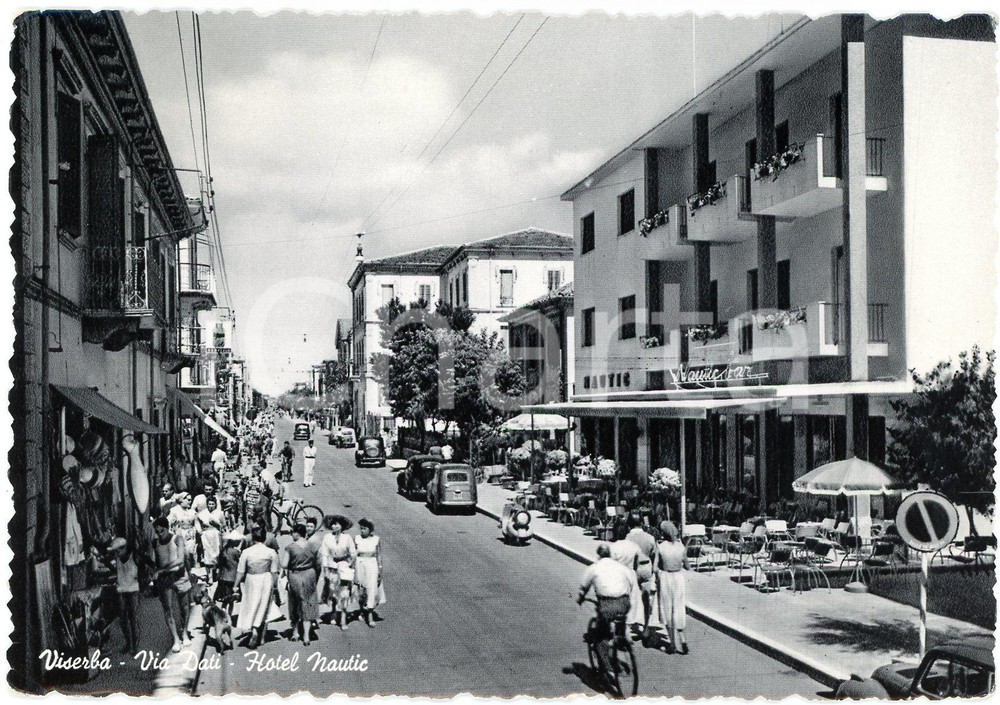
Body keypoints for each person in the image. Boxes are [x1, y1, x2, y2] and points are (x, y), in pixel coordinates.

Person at [577, 543, 637, 667]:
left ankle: (606, 665)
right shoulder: (621, 567)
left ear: (599, 555)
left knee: (600, 635)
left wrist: (581, 598)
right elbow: (631, 583)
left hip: (606, 605)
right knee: (620, 622)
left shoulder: (594, 568)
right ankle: (621, 640)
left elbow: (584, 587)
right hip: (623, 603)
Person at [234, 523, 281, 649]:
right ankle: (262, 637)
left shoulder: (246, 552)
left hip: (251, 579)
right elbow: (275, 571)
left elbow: (240, 571)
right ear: (264, 538)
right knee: (265, 606)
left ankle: (253, 629)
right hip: (266, 579)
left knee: (251, 604)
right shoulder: (271, 552)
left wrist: (235, 586)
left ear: (253, 539)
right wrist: (275, 587)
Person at [152, 516, 193, 653]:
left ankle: (185, 632)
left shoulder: (177, 539)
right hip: (165, 579)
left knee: (184, 607)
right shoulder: (156, 543)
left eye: (161, 530)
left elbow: (180, 560)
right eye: (157, 532)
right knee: (168, 609)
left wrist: (162, 569)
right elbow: (156, 562)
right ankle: (176, 638)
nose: (159, 534)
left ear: (167, 527)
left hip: (180, 576)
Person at [656, 521, 691, 655]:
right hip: (678, 577)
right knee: (678, 608)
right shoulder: (681, 546)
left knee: (667, 609)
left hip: (666, 577)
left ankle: (672, 644)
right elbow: (687, 566)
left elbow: (655, 567)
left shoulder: (661, 547)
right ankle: (682, 639)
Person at [282, 523, 319, 645]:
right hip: (309, 574)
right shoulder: (313, 546)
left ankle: (295, 632)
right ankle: (307, 636)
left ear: (297, 533)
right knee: (308, 602)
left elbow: (284, 564)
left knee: (295, 602)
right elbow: (318, 563)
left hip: (295, 576)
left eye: (293, 532)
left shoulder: (290, 547)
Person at [624, 514, 659, 640]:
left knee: (631, 598)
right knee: (647, 599)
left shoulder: (628, 537)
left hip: (633, 568)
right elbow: (655, 554)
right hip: (646, 568)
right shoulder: (650, 537)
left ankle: (628, 626)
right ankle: (646, 627)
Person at [319, 515, 357, 630]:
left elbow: (353, 553)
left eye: (337, 524)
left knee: (344, 593)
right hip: (332, 567)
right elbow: (324, 554)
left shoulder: (347, 538)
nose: (334, 526)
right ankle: (334, 613)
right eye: (333, 524)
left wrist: (349, 565)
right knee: (333, 591)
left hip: (344, 567)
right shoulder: (327, 537)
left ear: (342, 526)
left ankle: (343, 619)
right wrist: (325, 569)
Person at [109, 537, 140, 654]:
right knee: (123, 618)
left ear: (124, 548)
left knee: (132, 617)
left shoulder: (134, 557)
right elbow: (115, 569)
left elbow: (143, 569)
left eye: (118, 550)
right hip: (121, 589)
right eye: (115, 551)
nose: (116, 553)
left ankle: (135, 646)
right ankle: (128, 643)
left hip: (133, 589)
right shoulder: (117, 558)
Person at [353, 518, 386, 627]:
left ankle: (370, 614)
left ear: (370, 529)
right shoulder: (357, 539)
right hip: (360, 565)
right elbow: (353, 555)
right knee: (361, 590)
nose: (362, 531)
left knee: (372, 589)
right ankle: (362, 610)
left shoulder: (376, 539)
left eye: (365, 528)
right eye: (361, 528)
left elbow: (379, 555)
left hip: (372, 565)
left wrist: (380, 569)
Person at [610, 533, 644, 636]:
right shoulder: (634, 546)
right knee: (632, 600)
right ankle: (629, 625)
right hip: (630, 573)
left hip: (618, 574)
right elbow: (638, 562)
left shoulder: (613, 546)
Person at [197, 495, 226, 582]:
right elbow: (197, 522)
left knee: (216, 554)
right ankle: (209, 576)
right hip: (206, 535)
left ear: (215, 504)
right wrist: (200, 531)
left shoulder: (219, 513)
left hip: (216, 535)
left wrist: (217, 524)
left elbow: (223, 525)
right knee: (207, 554)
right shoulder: (202, 513)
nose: (211, 506)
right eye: (209, 504)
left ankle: (215, 574)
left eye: (212, 504)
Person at [215, 529, 243, 614]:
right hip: (232, 578)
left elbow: (219, 563)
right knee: (231, 599)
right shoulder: (236, 552)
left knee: (225, 598)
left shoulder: (223, 551)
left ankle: (223, 612)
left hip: (223, 577)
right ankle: (229, 615)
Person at [167, 493, 198, 567]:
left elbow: (196, 524)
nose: (190, 502)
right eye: (188, 500)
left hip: (190, 535)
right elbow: (168, 523)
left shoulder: (192, 512)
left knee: (190, 553)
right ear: (181, 500)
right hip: (179, 534)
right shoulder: (174, 511)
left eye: (191, 500)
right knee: (181, 554)